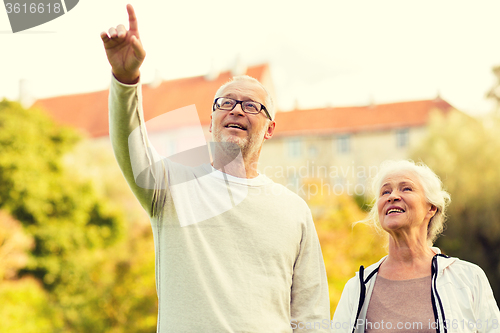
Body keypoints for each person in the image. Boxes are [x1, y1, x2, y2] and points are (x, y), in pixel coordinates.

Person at [100, 4, 331, 332]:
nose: (236, 110)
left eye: (251, 106)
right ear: (210, 122)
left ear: (269, 129)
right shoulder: (171, 187)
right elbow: (130, 146)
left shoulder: (294, 211)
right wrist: (125, 81)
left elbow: (312, 316)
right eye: (226, 103)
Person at [332, 160, 500, 333]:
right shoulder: (358, 288)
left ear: (431, 208)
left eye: (406, 188)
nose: (392, 196)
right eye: (385, 192)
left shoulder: (468, 278)